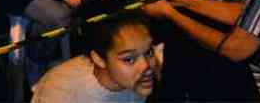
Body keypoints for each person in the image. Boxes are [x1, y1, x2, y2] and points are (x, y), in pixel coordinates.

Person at [33, 9, 163, 103]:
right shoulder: (63, 94)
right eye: (129, 59)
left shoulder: (132, 83)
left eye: (148, 52)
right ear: (99, 59)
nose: (147, 66)